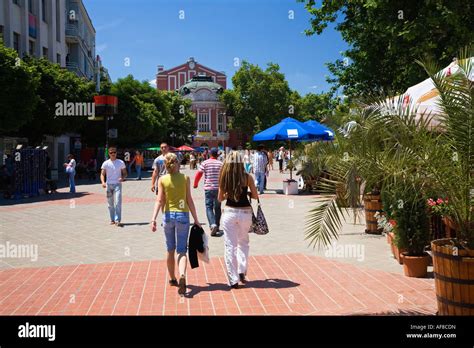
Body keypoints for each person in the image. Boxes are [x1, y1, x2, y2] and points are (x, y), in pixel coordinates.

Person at [151, 153, 201, 296]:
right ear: (178, 163)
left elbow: (159, 200)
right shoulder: (185, 178)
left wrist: (153, 219)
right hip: (182, 215)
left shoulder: (162, 179)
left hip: (167, 216)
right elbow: (189, 200)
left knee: (170, 249)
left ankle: (172, 278)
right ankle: (182, 276)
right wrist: (196, 219)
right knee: (181, 250)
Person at [218, 151, 259, 289]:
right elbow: (254, 196)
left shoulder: (224, 178)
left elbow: (220, 198)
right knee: (243, 243)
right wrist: (245, 192)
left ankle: (233, 279)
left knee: (230, 245)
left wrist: (228, 192)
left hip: (230, 212)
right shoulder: (247, 177)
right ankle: (242, 270)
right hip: (245, 213)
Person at [193, 147, 223, 237]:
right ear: (217, 155)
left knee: (209, 207)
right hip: (218, 189)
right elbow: (224, 175)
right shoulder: (221, 163)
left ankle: (212, 224)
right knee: (217, 208)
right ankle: (217, 226)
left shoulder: (205, 163)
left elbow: (199, 173)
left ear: (210, 154)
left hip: (208, 188)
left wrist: (195, 184)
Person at [100, 146, 127, 227]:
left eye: (114, 153)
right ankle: (112, 219)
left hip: (117, 185)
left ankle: (117, 220)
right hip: (109, 186)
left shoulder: (121, 162)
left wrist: (123, 178)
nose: (113, 154)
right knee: (110, 203)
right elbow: (102, 174)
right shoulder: (106, 163)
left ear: (116, 153)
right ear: (109, 154)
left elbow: (125, 173)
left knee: (118, 202)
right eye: (111, 153)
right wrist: (103, 182)